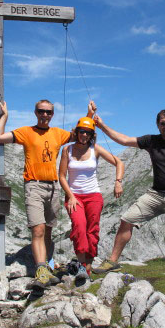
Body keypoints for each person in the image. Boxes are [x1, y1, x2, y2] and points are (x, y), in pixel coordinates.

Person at [91, 108, 165, 291]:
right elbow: (123, 140)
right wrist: (101, 125)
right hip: (155, 194)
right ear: (158, 125)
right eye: (163, 123)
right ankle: (112, 261)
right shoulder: (152, 141)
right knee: (127, 219)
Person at [0, 99, 94, 289]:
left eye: (48, 112)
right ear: (35, 112)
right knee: (37, 229)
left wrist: (89, 115)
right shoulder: (26, 132)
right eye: (41, 111)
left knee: (48, 230)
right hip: (34, 186)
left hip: (54, 187)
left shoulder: (58, 133)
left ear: (52, 114)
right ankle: (41, 270)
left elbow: (82, 134)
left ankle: (47, 266)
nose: (45, 115)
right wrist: (5, 116)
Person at [58, 116, 124, 281]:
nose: (84, 135)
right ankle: (81, 266)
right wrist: (71, 196)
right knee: (79, 228)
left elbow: (119, 163)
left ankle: (87, 268)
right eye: (82, 132)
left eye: (88, 133)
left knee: (92, 231)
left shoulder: (96, 149)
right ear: (77, 132)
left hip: (94, 195)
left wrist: (118, 182)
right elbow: (61, 176)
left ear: (92, 134)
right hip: (74, 197)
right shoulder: (67, 150)